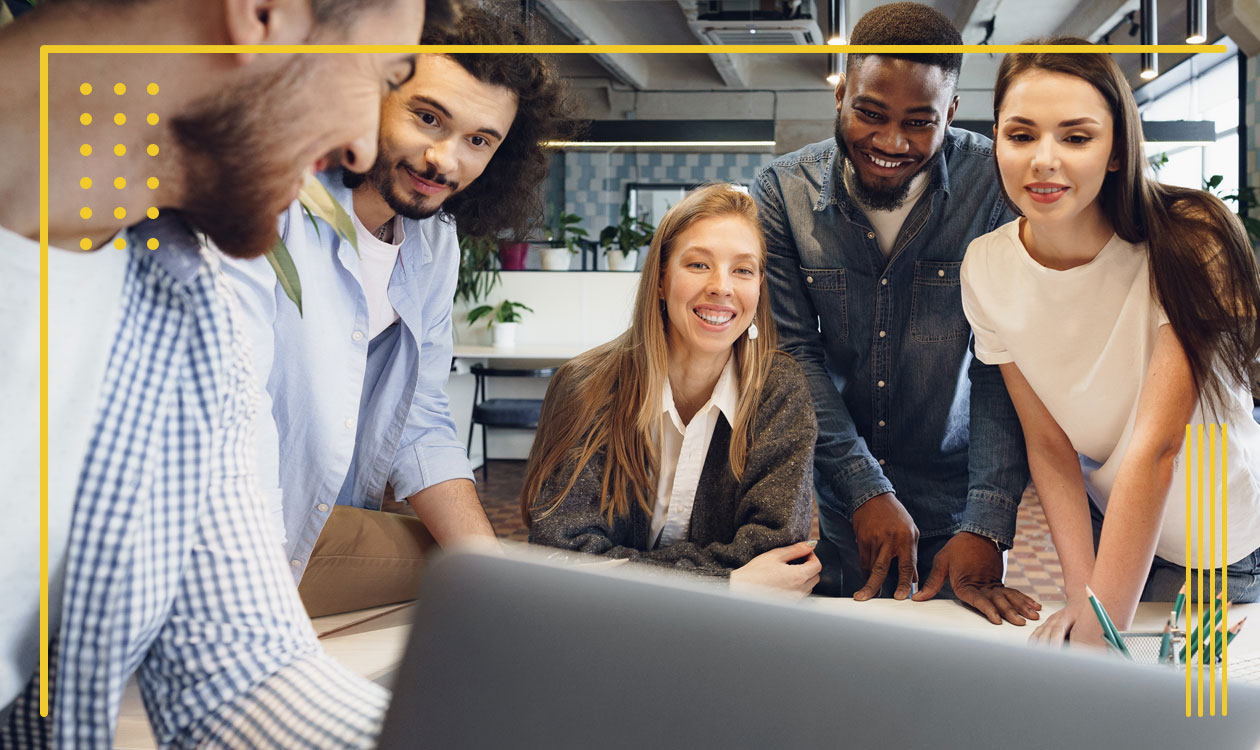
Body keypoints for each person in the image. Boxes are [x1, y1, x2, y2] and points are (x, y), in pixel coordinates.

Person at [0, 0, 440, 744]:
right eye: (381, 73)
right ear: (264, 13)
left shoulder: (182, 309)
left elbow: (240, 672)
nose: (364, 150)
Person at [225, 4, 583, 616]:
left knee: (486, 576)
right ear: (371, 89)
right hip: (236, 539)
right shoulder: (273, 205)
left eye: (478, 140)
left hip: (329, 516)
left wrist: (491, 577)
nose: (445, 158)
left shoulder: (433, 244)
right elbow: (235, 414)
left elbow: (421, 416)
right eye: (427, 117)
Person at [961, 41, 1260, 646]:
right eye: (1021, 136)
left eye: (1076, 137)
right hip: (1122, 540)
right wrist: (1081, 595)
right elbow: (1047, 446)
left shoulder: (1189, 238)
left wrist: (1100, 623)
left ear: (1118, 147)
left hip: (1228, 548)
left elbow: (1158, 446)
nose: (1044, 161)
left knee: (1197, 729)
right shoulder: (985, 267)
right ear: (996, 140)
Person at [752, 1, 1040, 624]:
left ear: (953, 113)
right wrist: (862, 488)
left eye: (919, 122)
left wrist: (987, 523)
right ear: (841, 95)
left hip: (957, 503)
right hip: (833, 500)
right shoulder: (781, 191)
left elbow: (1001, 364)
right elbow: (792, 353)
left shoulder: (994, 185)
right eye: (870, 114)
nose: (890, 142)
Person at [522, 184, 821, 597]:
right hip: (603, 628)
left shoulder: (780, 391)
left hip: (729, 637)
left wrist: (623, 570)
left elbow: (776, 554)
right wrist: (728, 581)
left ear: (758, 287)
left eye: (743, 269)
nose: (722, 286)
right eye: (698, 265)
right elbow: (562, 557)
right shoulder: (586, 386)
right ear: (661, 280)